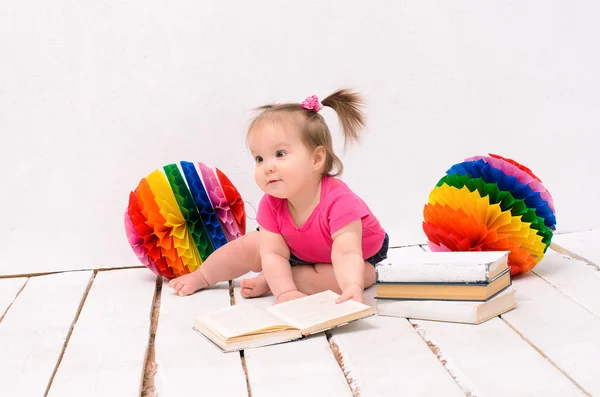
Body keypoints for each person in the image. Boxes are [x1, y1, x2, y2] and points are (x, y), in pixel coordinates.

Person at [168, 89, 388, 304]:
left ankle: (271, 280)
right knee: (250, 245)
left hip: (354, 253)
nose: (267, 167)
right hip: (299, 248)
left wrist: (352, 286)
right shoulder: (272, 203)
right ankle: (203, 276)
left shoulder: (339, 202)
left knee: (357, 275)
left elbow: (346, 254)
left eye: (280, 154)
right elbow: (272, 254)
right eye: (259, 158)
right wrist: (285, 293)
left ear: (316, 159)